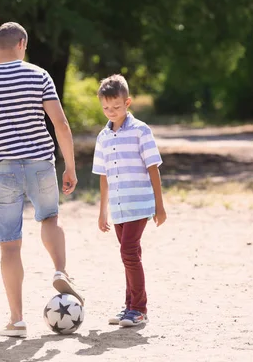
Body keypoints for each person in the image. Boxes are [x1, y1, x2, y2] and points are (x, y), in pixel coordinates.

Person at [0, 22, 84, 338]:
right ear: (22, 44)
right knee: (50, 218)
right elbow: (61, 124)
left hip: (1, 169)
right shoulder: (39, 76)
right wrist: (70, 167)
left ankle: (17, 320)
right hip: (40, 164)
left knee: (10, 245)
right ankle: (60, 269)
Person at [92, 74, 167, 327]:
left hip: (140, 204)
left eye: (116, 107)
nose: (110, 112)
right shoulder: (102, 137)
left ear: (128, 103)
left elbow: (153, 167)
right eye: (105, 108)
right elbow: (103, 177)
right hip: (119, 207)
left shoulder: (140, 130)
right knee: (130, 255)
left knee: (128, 253)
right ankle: (129, 307)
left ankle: (139, 309)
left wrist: (160, 205)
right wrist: (103, 212)